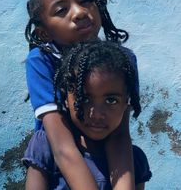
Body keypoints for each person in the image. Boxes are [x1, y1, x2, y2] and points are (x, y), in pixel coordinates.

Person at [24, 0, 139, 189]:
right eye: (61, 10)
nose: (78, 12)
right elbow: (62, 148)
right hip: (57, 168)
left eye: (85, 1)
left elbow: (119, 136)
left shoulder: (122, 60)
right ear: (44, 33)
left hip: (106, 162)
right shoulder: (42, 61)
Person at [23, 41, 152, 190]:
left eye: (111, 100)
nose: (96, 114)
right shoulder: (45, 147)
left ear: (126, 103)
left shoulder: (134, 161)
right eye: (84, 99)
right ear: (66, 99)